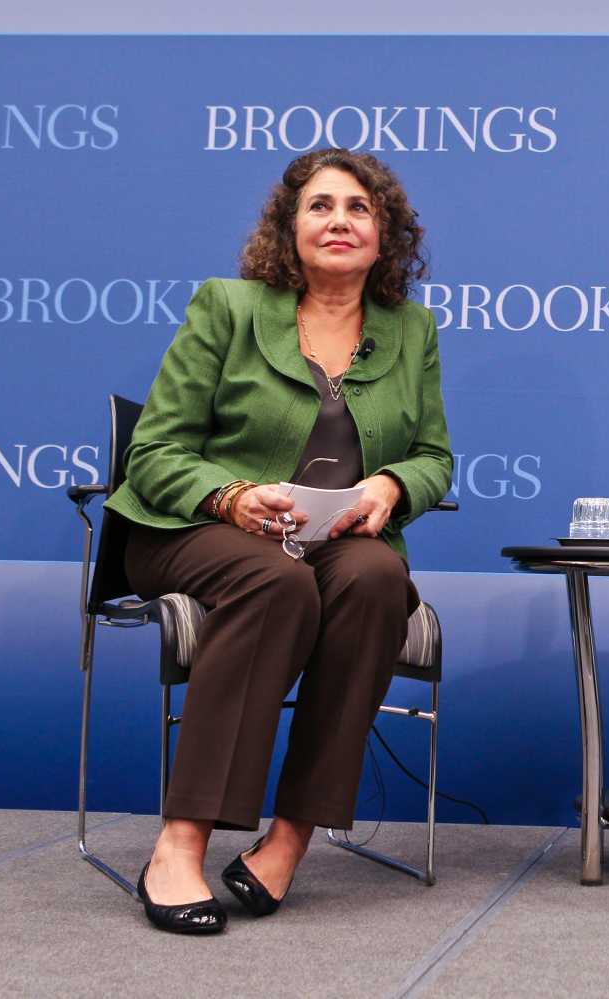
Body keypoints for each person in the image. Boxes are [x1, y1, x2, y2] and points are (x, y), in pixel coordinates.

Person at [104, 148, 453, 934]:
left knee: (375, 580)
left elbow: (434, 455)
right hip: (196, 530)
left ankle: (290, 837)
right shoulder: (227, 307)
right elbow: (154, 452)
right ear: (289, 227)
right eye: (320, 205)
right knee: (277, 581)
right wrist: (231, 496)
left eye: (360, 208)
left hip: (330, 539)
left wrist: (391, 485)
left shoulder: (412, 329)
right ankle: (180, 843)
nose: (340, 220)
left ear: (386, 234)